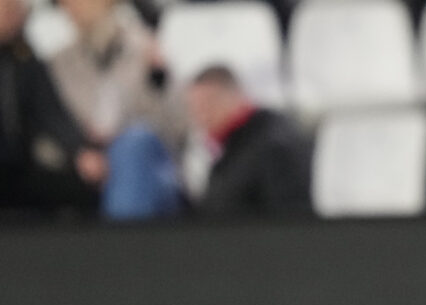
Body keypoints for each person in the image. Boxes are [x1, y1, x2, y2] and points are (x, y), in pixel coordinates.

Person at [50, 0, 185, 219]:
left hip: (150, 169)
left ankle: (119, 247)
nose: (72, 6)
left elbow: (179, 130)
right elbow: (48, 131)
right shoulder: (59, 64)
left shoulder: (146, 49)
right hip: (87, 172)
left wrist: (158, 80)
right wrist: (81, 152)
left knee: (133, 145)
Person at [0, 0, 104, 217]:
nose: (13, 16)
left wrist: (80, 150)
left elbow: (51, 113)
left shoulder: (25, 61)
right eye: (7, 9)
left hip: (17, 167)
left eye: (15, 10)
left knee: (80, 191)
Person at [184, 64, 312, 216]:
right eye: (196, 108)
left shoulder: (274, 143)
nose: (202, 116)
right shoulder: (228, 147)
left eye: (209, 104)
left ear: (235, 95)